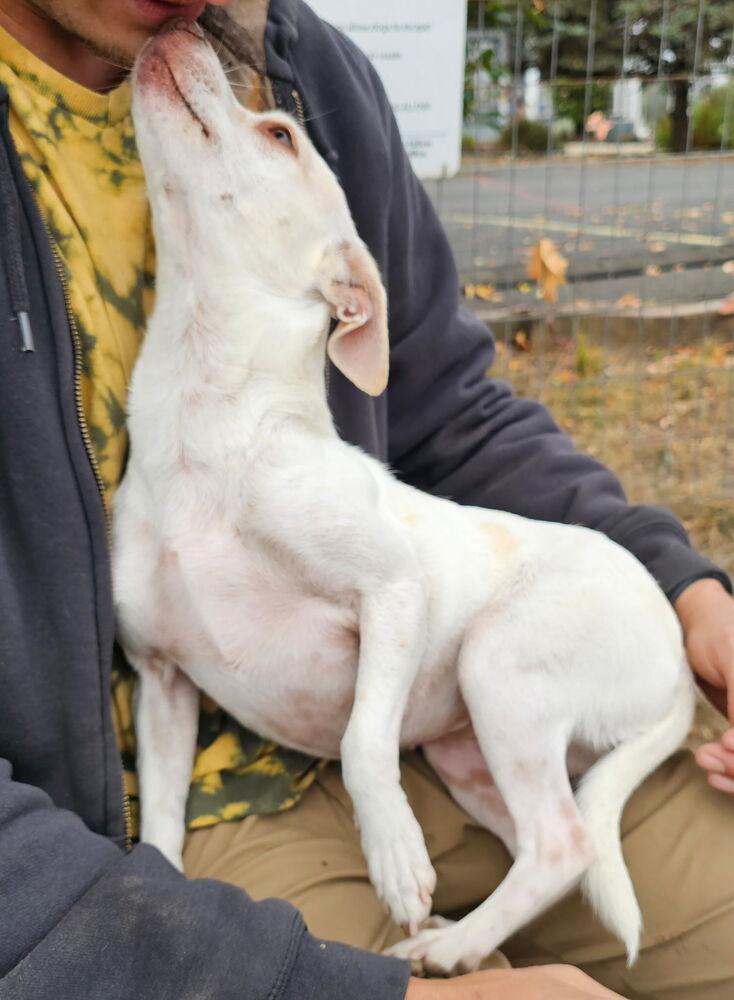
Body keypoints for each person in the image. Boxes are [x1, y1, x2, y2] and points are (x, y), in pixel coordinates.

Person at [0, 1, 732, 998]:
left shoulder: (306, 66)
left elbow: (445, 411)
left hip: (442, 719)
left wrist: (684, 586)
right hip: (173, 826)